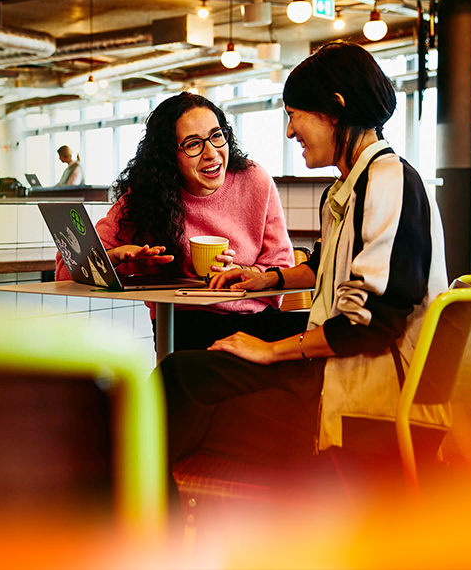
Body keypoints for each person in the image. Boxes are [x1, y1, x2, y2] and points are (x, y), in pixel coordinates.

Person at [159, 41, 449, 469]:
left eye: (294, 116)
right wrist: (266, 279)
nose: (290, 132)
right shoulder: (354, 184)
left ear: (334, 109)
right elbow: (324, 265)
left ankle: (144, 510)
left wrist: (271, 350)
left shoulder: (388, 184)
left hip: (368, 405)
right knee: (188, 373)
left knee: (179, 385)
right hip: (352, 376)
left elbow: (369, 323)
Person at [53, 92, 300, 351]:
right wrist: (115, 257)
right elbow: (65, 271)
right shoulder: (146, 197)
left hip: (257, 323)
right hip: (183, 326)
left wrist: (244, 273)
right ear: (168, 155)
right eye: (193, 144)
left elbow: (281, 267)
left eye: (217, 135)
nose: (211, 153)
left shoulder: (254, 180)